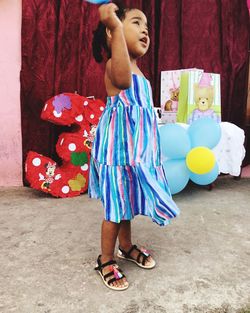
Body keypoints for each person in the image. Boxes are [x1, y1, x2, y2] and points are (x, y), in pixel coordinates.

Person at [89, 2, 180, 291]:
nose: (145, 30)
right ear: (111, 32)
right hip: (117, 152)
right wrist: (116, 27)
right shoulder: (118, 67)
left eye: (147, 27)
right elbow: (122, 81)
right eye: (136, 23)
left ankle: (125, 246)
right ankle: (104, 259)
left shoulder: (141, 72)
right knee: (115, 207)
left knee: (127, 201)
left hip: (136, 153)